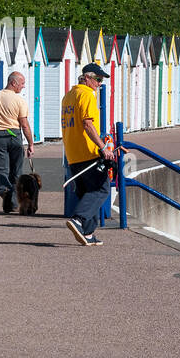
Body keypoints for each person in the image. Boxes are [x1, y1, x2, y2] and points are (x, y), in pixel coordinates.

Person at [60, 63, 117, 246]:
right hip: (88, 153)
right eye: (98, 79)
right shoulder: (87, 95)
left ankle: (88, 232)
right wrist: (103, 147)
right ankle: (78, 220)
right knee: (101, 189)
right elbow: (87, 124)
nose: (99, 84)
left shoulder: (69, 96)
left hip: (72, 154)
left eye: (101, 80)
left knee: (87, 193)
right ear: (87, 78)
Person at [0, 72, 34, 213]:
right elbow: (24, 124)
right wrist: (30, 144)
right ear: (13, 83)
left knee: (1, 169)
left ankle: (6, 193)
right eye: (22, 83)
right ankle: (14, 199)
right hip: (14, 135)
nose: (23, 86)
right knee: (16, 170)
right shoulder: (19, 101)